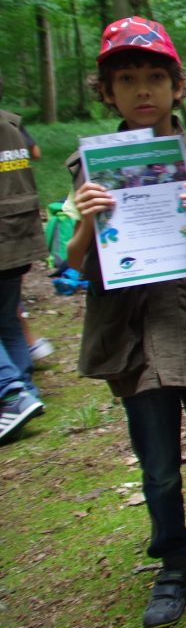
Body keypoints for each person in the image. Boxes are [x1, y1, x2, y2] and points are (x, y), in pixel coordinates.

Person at [64, 17, 186, 628]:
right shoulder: (93, 165)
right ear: (108, 92)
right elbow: (72, 262)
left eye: (155, 76)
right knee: (156, 464)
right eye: (127, 80)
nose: (143, 89)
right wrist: (87, 221)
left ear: (178, 86)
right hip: (134, 337)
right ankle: (173, 563)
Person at [0, 81, 46, 444]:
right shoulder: (12, 124)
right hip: (20, 232)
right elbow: (35, 152)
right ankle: (26, 389)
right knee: (8, 318)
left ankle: (12, 393)